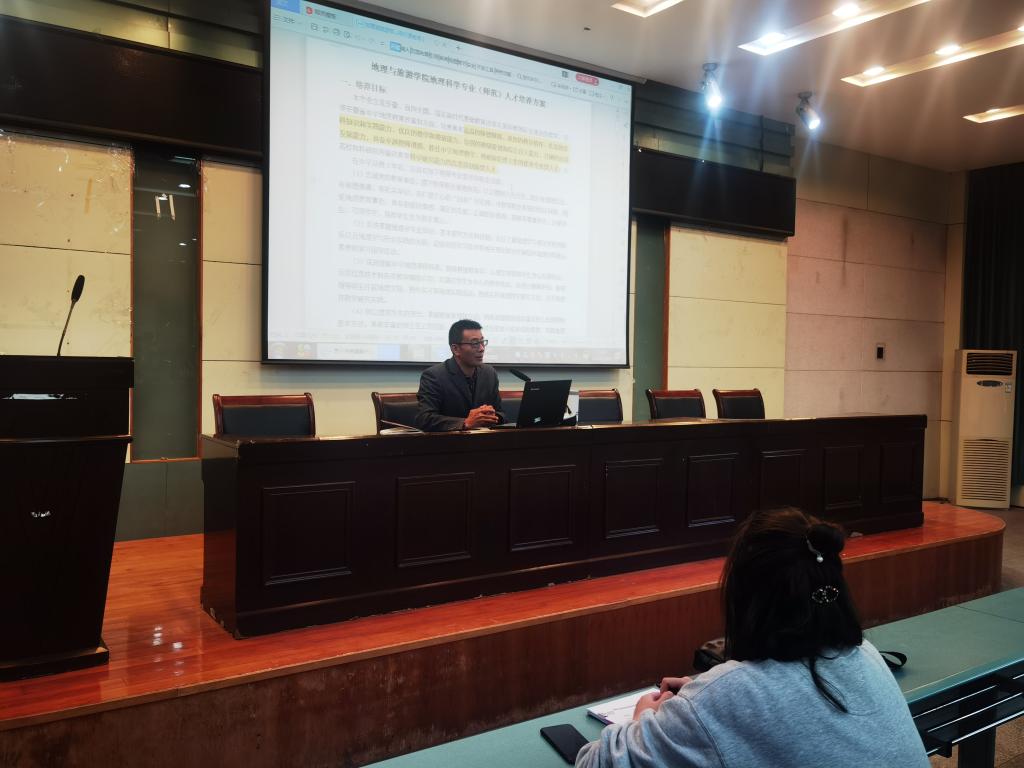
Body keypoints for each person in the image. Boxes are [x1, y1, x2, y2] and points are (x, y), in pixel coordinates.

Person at [575, 507, 930, 768]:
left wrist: (642, 719)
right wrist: (703, 700)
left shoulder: (730, 695)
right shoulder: (865, 654)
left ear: (746, 597)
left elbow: (594, 763)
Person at [415, 319, 505, 432]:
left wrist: (492, 416)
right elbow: (425, 419)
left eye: (482, 342)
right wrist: (465, 423)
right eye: (475, 343)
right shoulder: (434, 376)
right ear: (455, 349)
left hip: (485, 439)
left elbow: (501, 414)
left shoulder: (489, 373)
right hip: (451, 441)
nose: (482, 348)